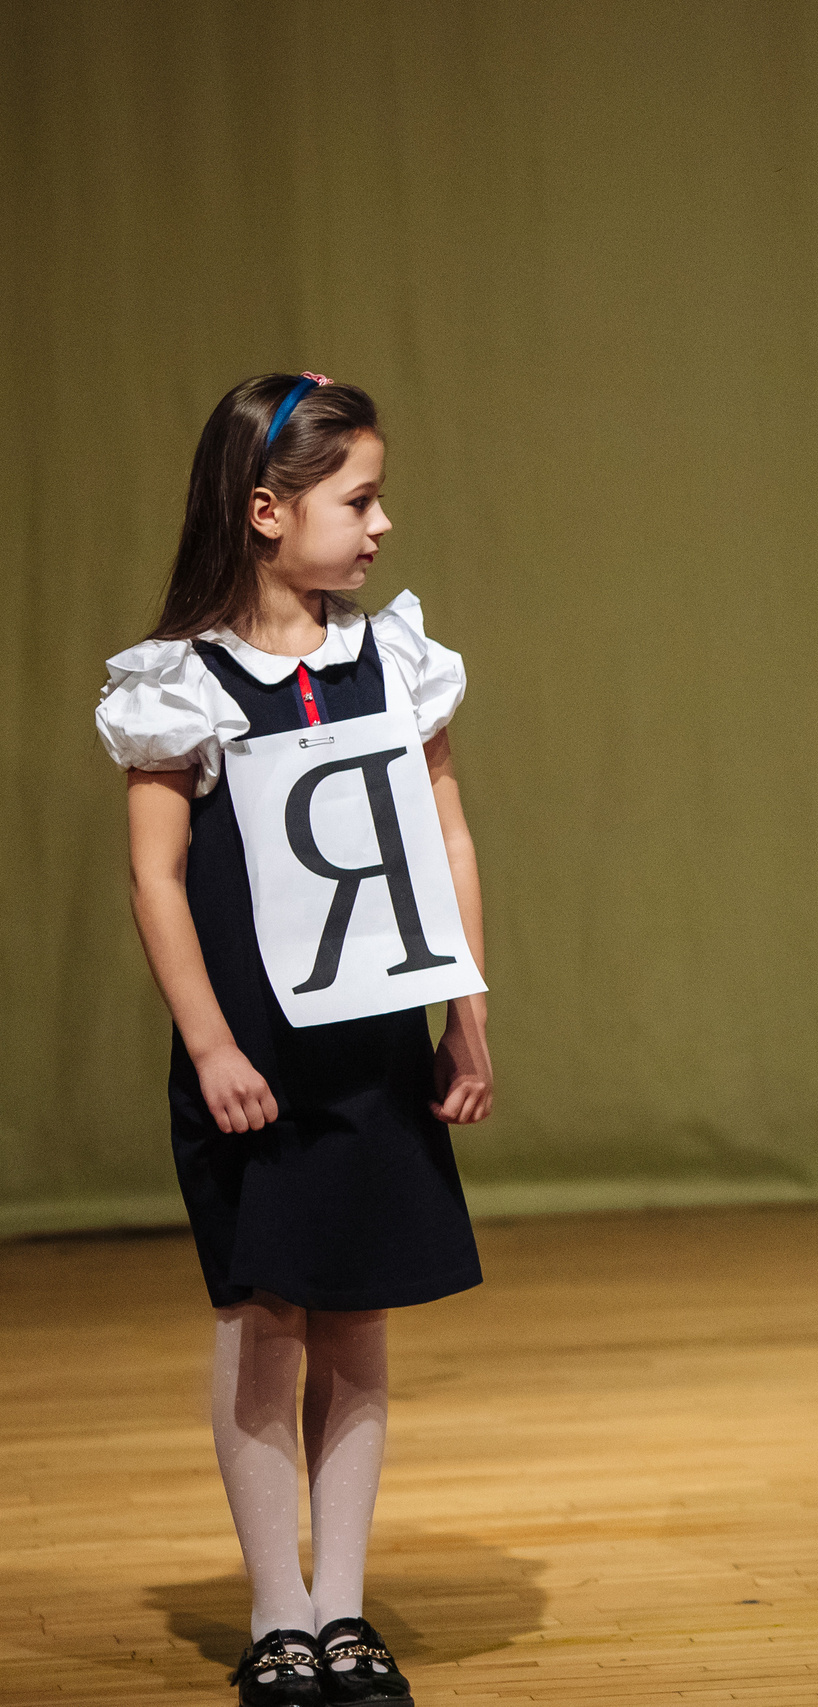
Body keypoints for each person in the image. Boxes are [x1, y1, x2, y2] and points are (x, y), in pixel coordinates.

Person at [97, 374, 492, 1704]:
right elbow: (158, 878)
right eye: (358, 498)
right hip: (255, 1056)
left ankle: (341, 1607)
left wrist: (467, 1008)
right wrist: (210, 1044)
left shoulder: (396, 661)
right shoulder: (182, 686)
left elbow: (442, 836)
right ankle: (276, 1610)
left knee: (358, 1320)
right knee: (263, 1320)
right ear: (267, 512)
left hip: (375, 1046)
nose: (381, 526)